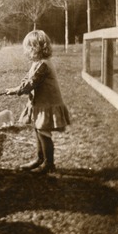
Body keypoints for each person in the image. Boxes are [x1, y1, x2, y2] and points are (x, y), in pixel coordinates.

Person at [6, 30, 70, 174]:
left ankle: (49, 164)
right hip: (40, 103)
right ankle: (40, 159)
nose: (26, 51)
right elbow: (28, 78)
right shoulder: (38, 63)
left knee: (43, 131)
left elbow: (31, 83)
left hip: (48, 104)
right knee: (38, 129)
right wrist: (19, 86)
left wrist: (16, 90)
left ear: (36, 48)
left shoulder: (43, 65)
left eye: (28, 48)